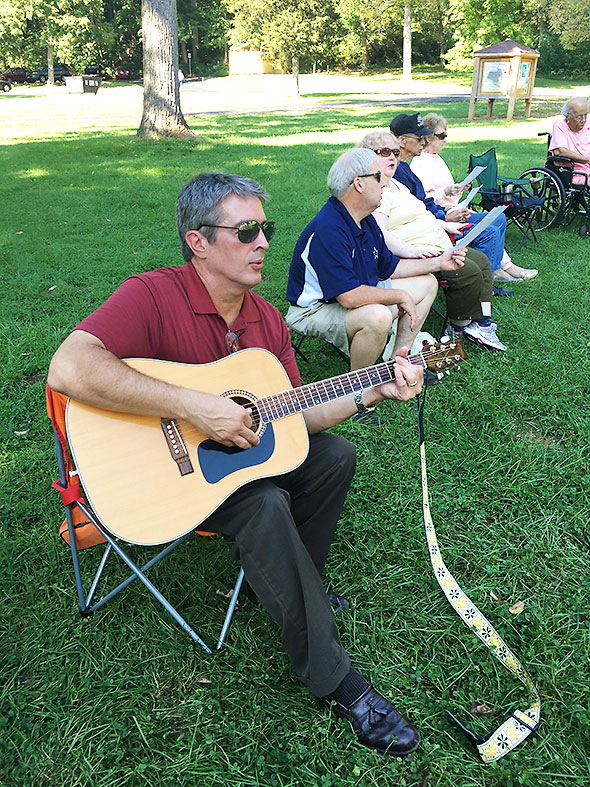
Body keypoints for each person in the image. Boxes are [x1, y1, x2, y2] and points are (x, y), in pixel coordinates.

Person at [48, 171, 424, 757]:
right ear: (198, 241)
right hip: (165, 479)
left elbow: (296, 415)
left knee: (335, 456)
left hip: (233, 466)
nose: (264, 242)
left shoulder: (266, 320)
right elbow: (69, 368)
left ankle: (293, 582)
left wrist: (372, 390)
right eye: (246, 231)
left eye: (265, 228)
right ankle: (340, 684)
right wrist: (194, 406)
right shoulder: (152, 295)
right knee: (264, 503)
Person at [285, 148, 459, 425]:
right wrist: (398, 296)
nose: (384, 182)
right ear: (359, 183)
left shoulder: (364, 219)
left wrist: (439, 262)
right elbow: (349, 297)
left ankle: (397, 363)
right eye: (378, 177)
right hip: (313, 309)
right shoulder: (329, 229)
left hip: (347, 295)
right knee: (377, 315)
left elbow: (390, 267)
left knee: (426, 284)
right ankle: (356, 395)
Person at [358, 129, 508, 352]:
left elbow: (422, 214)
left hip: (440, 243)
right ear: (367, 156)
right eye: (385, 152)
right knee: (467, 270)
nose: (392, 158)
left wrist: (445, 225)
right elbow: (379, 234)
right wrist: (411, 251)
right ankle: (458, 327)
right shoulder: (377, 193)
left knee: (481, 261)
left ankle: (482, 322)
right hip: (419, 252)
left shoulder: (398, 185)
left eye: (395, 153)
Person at [389, 112, 515, 296]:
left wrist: (445, 212)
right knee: (489, 232)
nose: (424, 142)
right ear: (402, 141)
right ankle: (481, 289)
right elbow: (415, 211)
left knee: (496, 219)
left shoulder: (404, 167)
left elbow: (424, 203)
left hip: (437, 217)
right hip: (428, 229)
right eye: (419, 138)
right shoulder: (397, 171)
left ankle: (489, 278)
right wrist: (445, 217)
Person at [410, 112, 538, 284]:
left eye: (446, 135)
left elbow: (446, 193)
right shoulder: (420, 164)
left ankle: (498, 268)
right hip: (443, 214)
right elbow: (424, 201)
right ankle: (500, 269)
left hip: (454, 208)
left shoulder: (436, 158)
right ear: (428, 137)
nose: (445, 139)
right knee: (493, 224)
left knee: (499, 217)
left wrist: (459, 188)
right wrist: (447, 193)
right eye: (441, 135)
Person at [549, 96, 590, 186]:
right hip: (574, 172)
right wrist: (587, 160)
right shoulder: (560, 125)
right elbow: (561, 151)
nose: (583, 120)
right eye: (578, 117)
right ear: (567, 116)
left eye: (585, 115)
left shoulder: (588, 122)